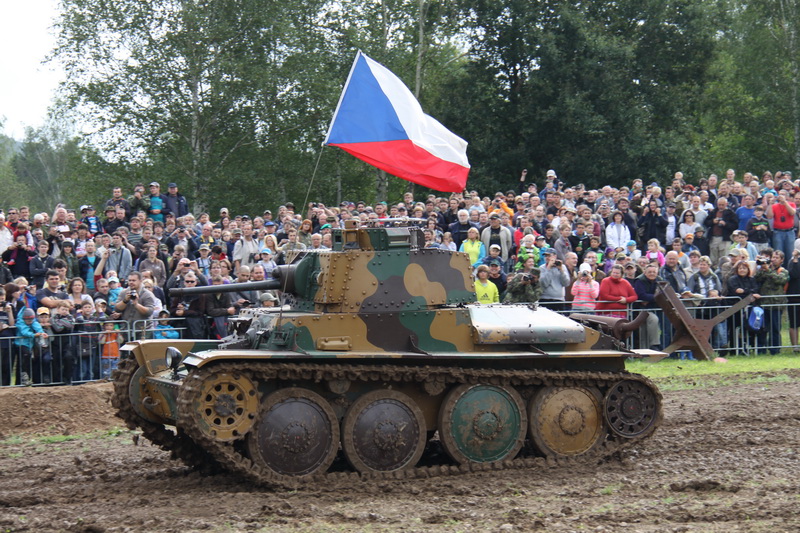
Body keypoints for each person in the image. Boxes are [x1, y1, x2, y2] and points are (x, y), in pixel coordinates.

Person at [755, 249, 788, 354]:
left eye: (776, 258)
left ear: (782, 260)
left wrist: (768, 270)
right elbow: (756, 279)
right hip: (763, 303)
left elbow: (780, 280)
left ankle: (775, 349)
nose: (773, 260)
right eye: (773, 257)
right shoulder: (765, 269)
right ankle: (761, 349)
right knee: (762, 328)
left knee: (775, 328)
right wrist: (760, 267)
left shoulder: (783, 271)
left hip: (776, 304)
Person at [726, 260, 763, 354]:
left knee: (750, 328)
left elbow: (755, 289)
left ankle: (748, 348)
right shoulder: (732, 279)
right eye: (740, 268)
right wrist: (750, 293)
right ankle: (734, 350)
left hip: (749, 309)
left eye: (744, 268)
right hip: (735, 308)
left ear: (748, 269)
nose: (742, 270)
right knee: (734, 329)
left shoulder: (752, 280)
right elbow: (736, 291)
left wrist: (745, 291)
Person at [114, 271, 156, 339]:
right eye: (129, 280)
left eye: (133, 280)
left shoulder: (147, 294)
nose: (131, 282)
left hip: (143, 331)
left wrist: (136, 304)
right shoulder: (123, 292)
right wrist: (125, 300)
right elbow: (117, 309)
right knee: (126, 349)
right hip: (126, 329)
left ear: (140, 281)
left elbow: (149, 312)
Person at [632, 263, 663, 350]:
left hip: (655, 308)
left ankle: (645, 351)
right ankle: (654, 345)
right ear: (645, 272)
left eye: (654, 272)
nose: (652, 274)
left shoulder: (660, 280)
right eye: (650, 272)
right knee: (653, 320)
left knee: (645, 329)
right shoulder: (639, 281)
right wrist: (656, 296)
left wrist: (651, 298)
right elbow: (641, 295)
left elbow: (664, 293)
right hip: (640, 310)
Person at [14, 308, 47, 386]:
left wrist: (42, 333)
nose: (30, 322)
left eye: (31, 320)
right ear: (24, 319)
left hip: (29, 344)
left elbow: (36, 326)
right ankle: (22, 377)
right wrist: (34, 335)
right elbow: (24, 331)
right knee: (25, 356)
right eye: (28, 321)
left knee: (29, 359)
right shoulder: (20, 322)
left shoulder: (33, 321)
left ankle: (26, 378)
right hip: (20, 344)